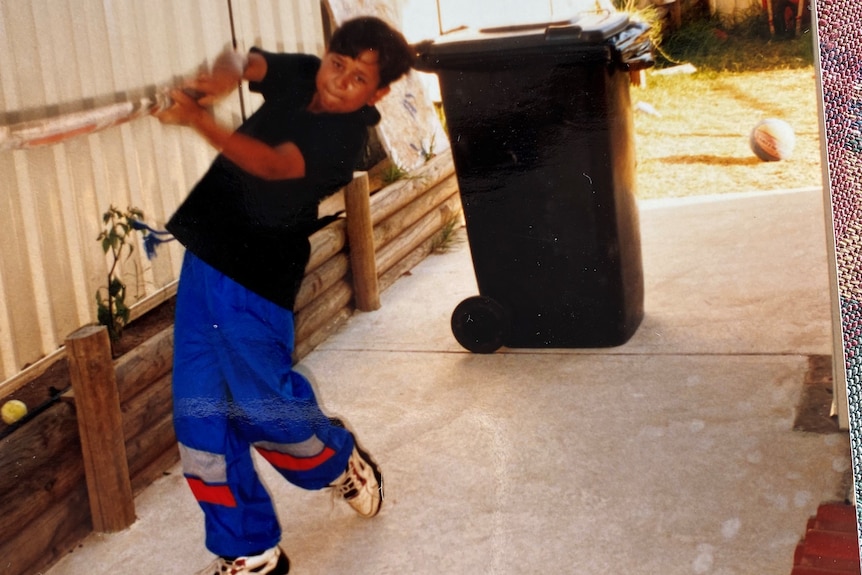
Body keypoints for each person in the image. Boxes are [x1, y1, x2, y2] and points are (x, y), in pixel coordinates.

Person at [155, 16, 414, 575]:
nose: (337, 81)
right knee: (200, 418)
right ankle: (249, 550)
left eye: (356, 79)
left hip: (254, 285)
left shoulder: (344, 139)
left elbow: (271, 167)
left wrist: (198, 118)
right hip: (204, 265)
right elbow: (248, 61)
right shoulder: (304, 75)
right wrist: (217, 79)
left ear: (380, 92)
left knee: (265, 411)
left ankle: (339, 460)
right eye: (335, 64)